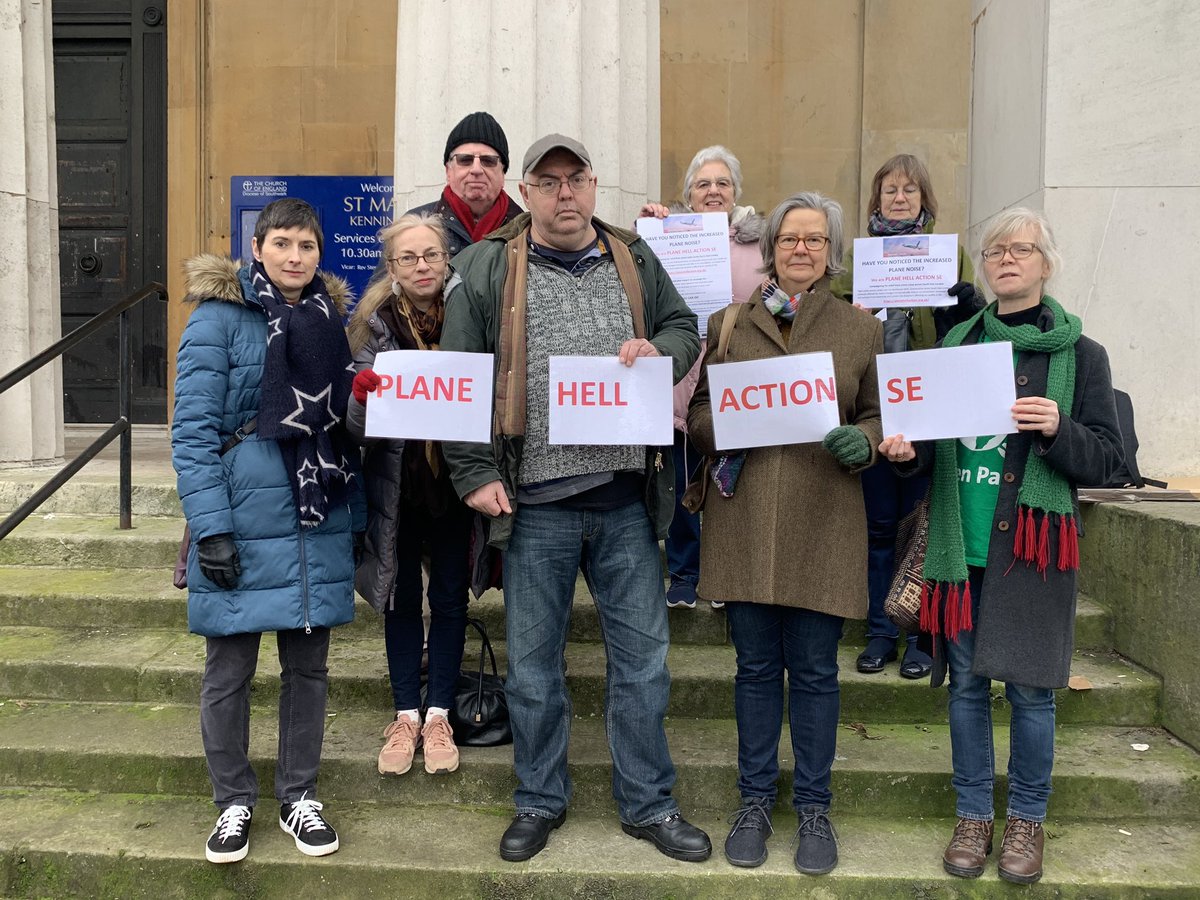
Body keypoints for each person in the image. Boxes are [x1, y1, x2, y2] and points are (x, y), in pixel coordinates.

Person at [439, 134, 709, 864]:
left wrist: (666, 353)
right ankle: (538, 799)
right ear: (525, 192)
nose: (564, 194)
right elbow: (459, 375)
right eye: (548, 181)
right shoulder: (486, 265)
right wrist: (472, 474)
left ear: (594, 186)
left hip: (625, 500)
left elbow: (687, 327)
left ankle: (650, 805)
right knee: (531, 669)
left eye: (576, 179)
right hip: (534, 505)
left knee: (644, 666)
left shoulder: (635, 258)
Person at [879, 207, 1122, 884]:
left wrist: (1058, 428)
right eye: (994, 252)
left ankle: (1027, 824)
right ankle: (973, 816)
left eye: (1022, 250)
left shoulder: (1082, 356)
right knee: (965, 689)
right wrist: (902, 452)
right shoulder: (955, 344)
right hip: (964, 548)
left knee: (1034, 695)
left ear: (1046, 263)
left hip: (1035, 552)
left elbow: (1108, 461)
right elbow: (922, 447)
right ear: (983, 267)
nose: (1007, 260)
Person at [687, 192, 883, 875]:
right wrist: (724, 425)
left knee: (819, 675)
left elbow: (879, 415)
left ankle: (816, 809)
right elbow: (701, 412)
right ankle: (754, 801)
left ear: (831, 252)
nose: (802, 250)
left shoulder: (860, 330)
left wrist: (866, 439)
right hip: (745, 520)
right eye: (790, 239)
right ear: (770, 249)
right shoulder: (729, 322)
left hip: (825, 519)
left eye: (815, 241)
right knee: (756, 670)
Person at [173, 198, 364, 864]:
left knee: (307, 669)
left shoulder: (331, 321)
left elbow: (343, 427)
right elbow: (193, 434)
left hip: (314, 517)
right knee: (229, 670)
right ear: (256, 249)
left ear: (319, 254)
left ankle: (298, 795)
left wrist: (357, 518)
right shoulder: (217, 321)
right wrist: (211, 526)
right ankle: (233, 801)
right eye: (281, 243)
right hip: (243, 516)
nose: (293, 257)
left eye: (306, 246)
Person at [831, 153, 983, 680]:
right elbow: (831, 336)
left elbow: (969, 332)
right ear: (875, 200)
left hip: (930, 405)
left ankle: (922, 632)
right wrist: (849, 317)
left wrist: (963, 311)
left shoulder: (950, 255)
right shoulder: (856, 260)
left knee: (924, 527)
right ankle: (880, 631)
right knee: (877, 527)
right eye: (890, 190)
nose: (899, 199)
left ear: (925, 200)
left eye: (909, 191)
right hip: (875, 405)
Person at [344, 214, 471, 778]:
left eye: (431, 256)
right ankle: (405, 713)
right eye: (408, 258)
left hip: (456, 485)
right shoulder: (371, 324)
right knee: (398, 599)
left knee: (448, 599)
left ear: (447, 260)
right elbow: (351, 427)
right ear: (391, 268)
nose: (422, 266)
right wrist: (361, 398)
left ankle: (439, 711)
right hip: (395, 489)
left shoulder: (471, 315)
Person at [638, 145, 762, 610]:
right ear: (689, 194)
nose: (713, 191)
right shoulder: (666, 235)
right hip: (678, 368)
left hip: (735, 370)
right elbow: (636, 278)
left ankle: (726, 571)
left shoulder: (760, 241)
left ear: (736, 193)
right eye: (703, 184)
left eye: (722, 183)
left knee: (731, 475)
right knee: (681, 472)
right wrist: (646, 229)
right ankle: (685, 571)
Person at [404, 111, 524, 258]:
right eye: (465, 160)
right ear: (448, 171)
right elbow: (386, 281)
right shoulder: (413, 225)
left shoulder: (526, 230)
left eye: (488, 161)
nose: (476, 169)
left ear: (503, 173)